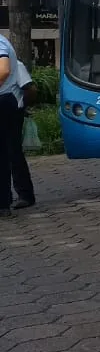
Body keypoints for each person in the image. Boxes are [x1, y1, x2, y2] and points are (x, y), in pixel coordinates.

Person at [0, 37, 31, 217]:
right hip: (9, 104)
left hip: (6, 102)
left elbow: (3, 70)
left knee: (9, 153)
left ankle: (8, 200)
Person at [9, 58, 34, 210]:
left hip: (12, 112)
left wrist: (22, 106)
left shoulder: (15, 64)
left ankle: (25, 194)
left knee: (14, 153)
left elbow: (29, 88)